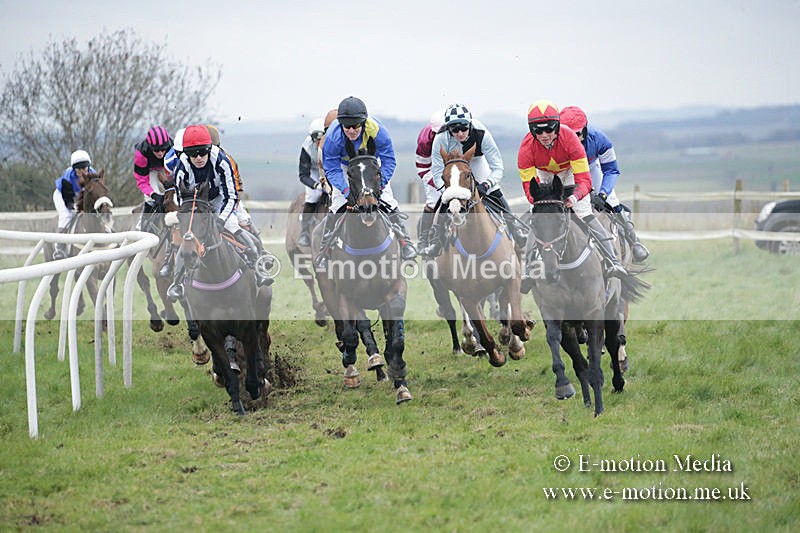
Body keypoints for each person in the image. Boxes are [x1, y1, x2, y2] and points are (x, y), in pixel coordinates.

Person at [518, 99, 626, 294]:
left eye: (549, 129)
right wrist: (543, 204)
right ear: (531, 130)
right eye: (538, 130)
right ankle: (527, 269)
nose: (544, 135)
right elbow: (528, 186)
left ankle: (613, 261)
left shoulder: (570, 139)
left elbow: (585, 180)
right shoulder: (526, 148)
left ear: (557, 126)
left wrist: (574, 198)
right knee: (541, 217)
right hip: (544, 174)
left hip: (570, 171)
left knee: (584, 211)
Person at [165, 125, 272, 301]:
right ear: (186, 153)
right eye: (193, 154)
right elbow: (181, 197)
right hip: (195, 201)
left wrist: (221, 219)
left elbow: (231, 195)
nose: (198, 158)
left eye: (202, 152)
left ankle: (258, 265)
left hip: (220, 198)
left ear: (209, 149)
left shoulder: (222, 161)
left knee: (232, 225)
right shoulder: (182, 166)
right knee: (187, 235)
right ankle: (177, 283)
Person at [314, 96, 417, 269]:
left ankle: (405, 243)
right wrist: (346, 191)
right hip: (344, 166)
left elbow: (389, 159)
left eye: (356, 126)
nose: (352, 130)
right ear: (341, 125)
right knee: (337, 205)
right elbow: (331, 168)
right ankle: (325, 251)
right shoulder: (333, 137)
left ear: (363, 122)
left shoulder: (377, 130)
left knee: (389, 202)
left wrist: (380, 185)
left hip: (370, 165)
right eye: (347, 127)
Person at [420, 103, 526, 257]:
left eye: (464, 128)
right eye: (455, 130)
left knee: (494, 191)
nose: (460, 133)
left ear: (470, 124)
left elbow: (497, 167)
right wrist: (449, 190)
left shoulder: (481, 133)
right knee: (444, 200)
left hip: (476, 162)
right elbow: (437, 172)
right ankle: (436, 240)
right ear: (449, 129)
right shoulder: (441, 138)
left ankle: (515, 228)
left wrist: (486, 184)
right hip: (454, 168)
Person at [559, 106, 649, 263]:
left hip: (590, 168)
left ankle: (634, 242)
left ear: (585, 130)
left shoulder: (600, 139)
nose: (573, 139)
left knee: (612, 201)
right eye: (568, 134)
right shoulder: (554, 140)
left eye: (577, 134)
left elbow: (611, 170)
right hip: (566, 171)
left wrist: (603, 194)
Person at [52, 150, 96, 260]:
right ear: (74, 169)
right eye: (78, 169)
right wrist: (76, 208)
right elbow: (68, 200)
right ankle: (60, 247)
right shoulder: (68, 177)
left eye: (84, 168)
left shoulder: (93, 175)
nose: (82, 172)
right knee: (67, 215)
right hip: (63, 195)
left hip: (79, 196)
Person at [414, 109, 445, 253]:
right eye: (438, 134)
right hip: (432, 169)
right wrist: (437, 184)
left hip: (454, 166)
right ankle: (423, 239)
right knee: (433, 201)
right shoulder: (425, 140)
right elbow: (422, 167)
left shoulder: (458, 133)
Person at [134, 125, 173, 232]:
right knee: (152, 198)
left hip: (166, 168)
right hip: (149, 171)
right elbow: (142, 181)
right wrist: (153, 194)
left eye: (163, 149)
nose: (160, 153)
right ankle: (142, 225)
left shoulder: (173, 147)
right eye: (156, 150)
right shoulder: (141, 153)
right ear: (150, 147)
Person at [297, 118, 326, 247]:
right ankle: (304, 232)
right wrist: (316, 185)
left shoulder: (334, 143)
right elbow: (303, 175)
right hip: (314, 171)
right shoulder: (307, 148)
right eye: (317, 140)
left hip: (329, 169)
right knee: (313, 195)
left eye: (322, 139)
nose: (319, 143)